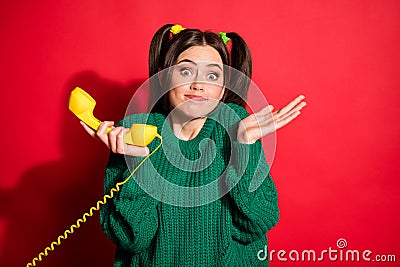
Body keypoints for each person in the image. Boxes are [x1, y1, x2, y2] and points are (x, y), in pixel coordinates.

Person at [81, 24, 306, 266]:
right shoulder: (133, 132)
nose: (199, 84)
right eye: (186, 71)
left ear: (222, 89)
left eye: (212, 76)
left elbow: (257, 222)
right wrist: (139, 162)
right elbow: (130, 238)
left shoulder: (237, 127)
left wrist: (244, 147)